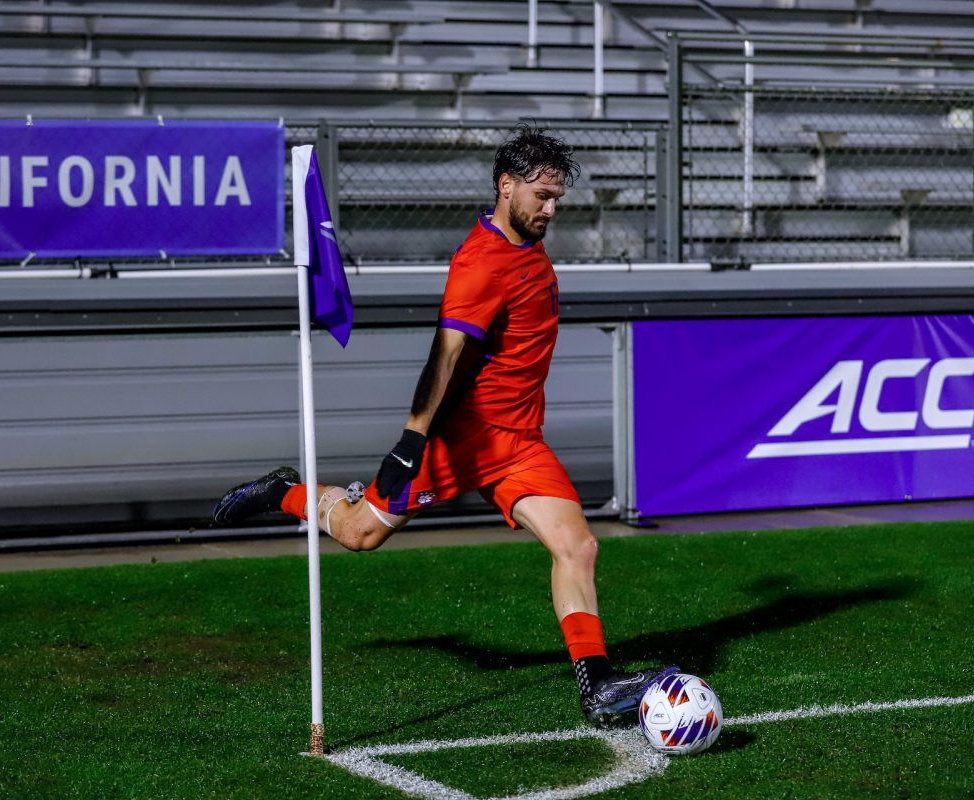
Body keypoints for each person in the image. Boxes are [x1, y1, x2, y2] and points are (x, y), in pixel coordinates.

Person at [211, 124, 675, 727]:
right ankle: (285, 492)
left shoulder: (526, 242)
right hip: (462, 440)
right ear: (506, 187)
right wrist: (411, 439)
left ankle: (597, 685)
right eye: (543, 196)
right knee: (358, 535)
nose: (552, 209)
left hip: (519, 442)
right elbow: (446, 353)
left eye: (558, 197)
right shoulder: (479, 264)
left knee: (577, 546)